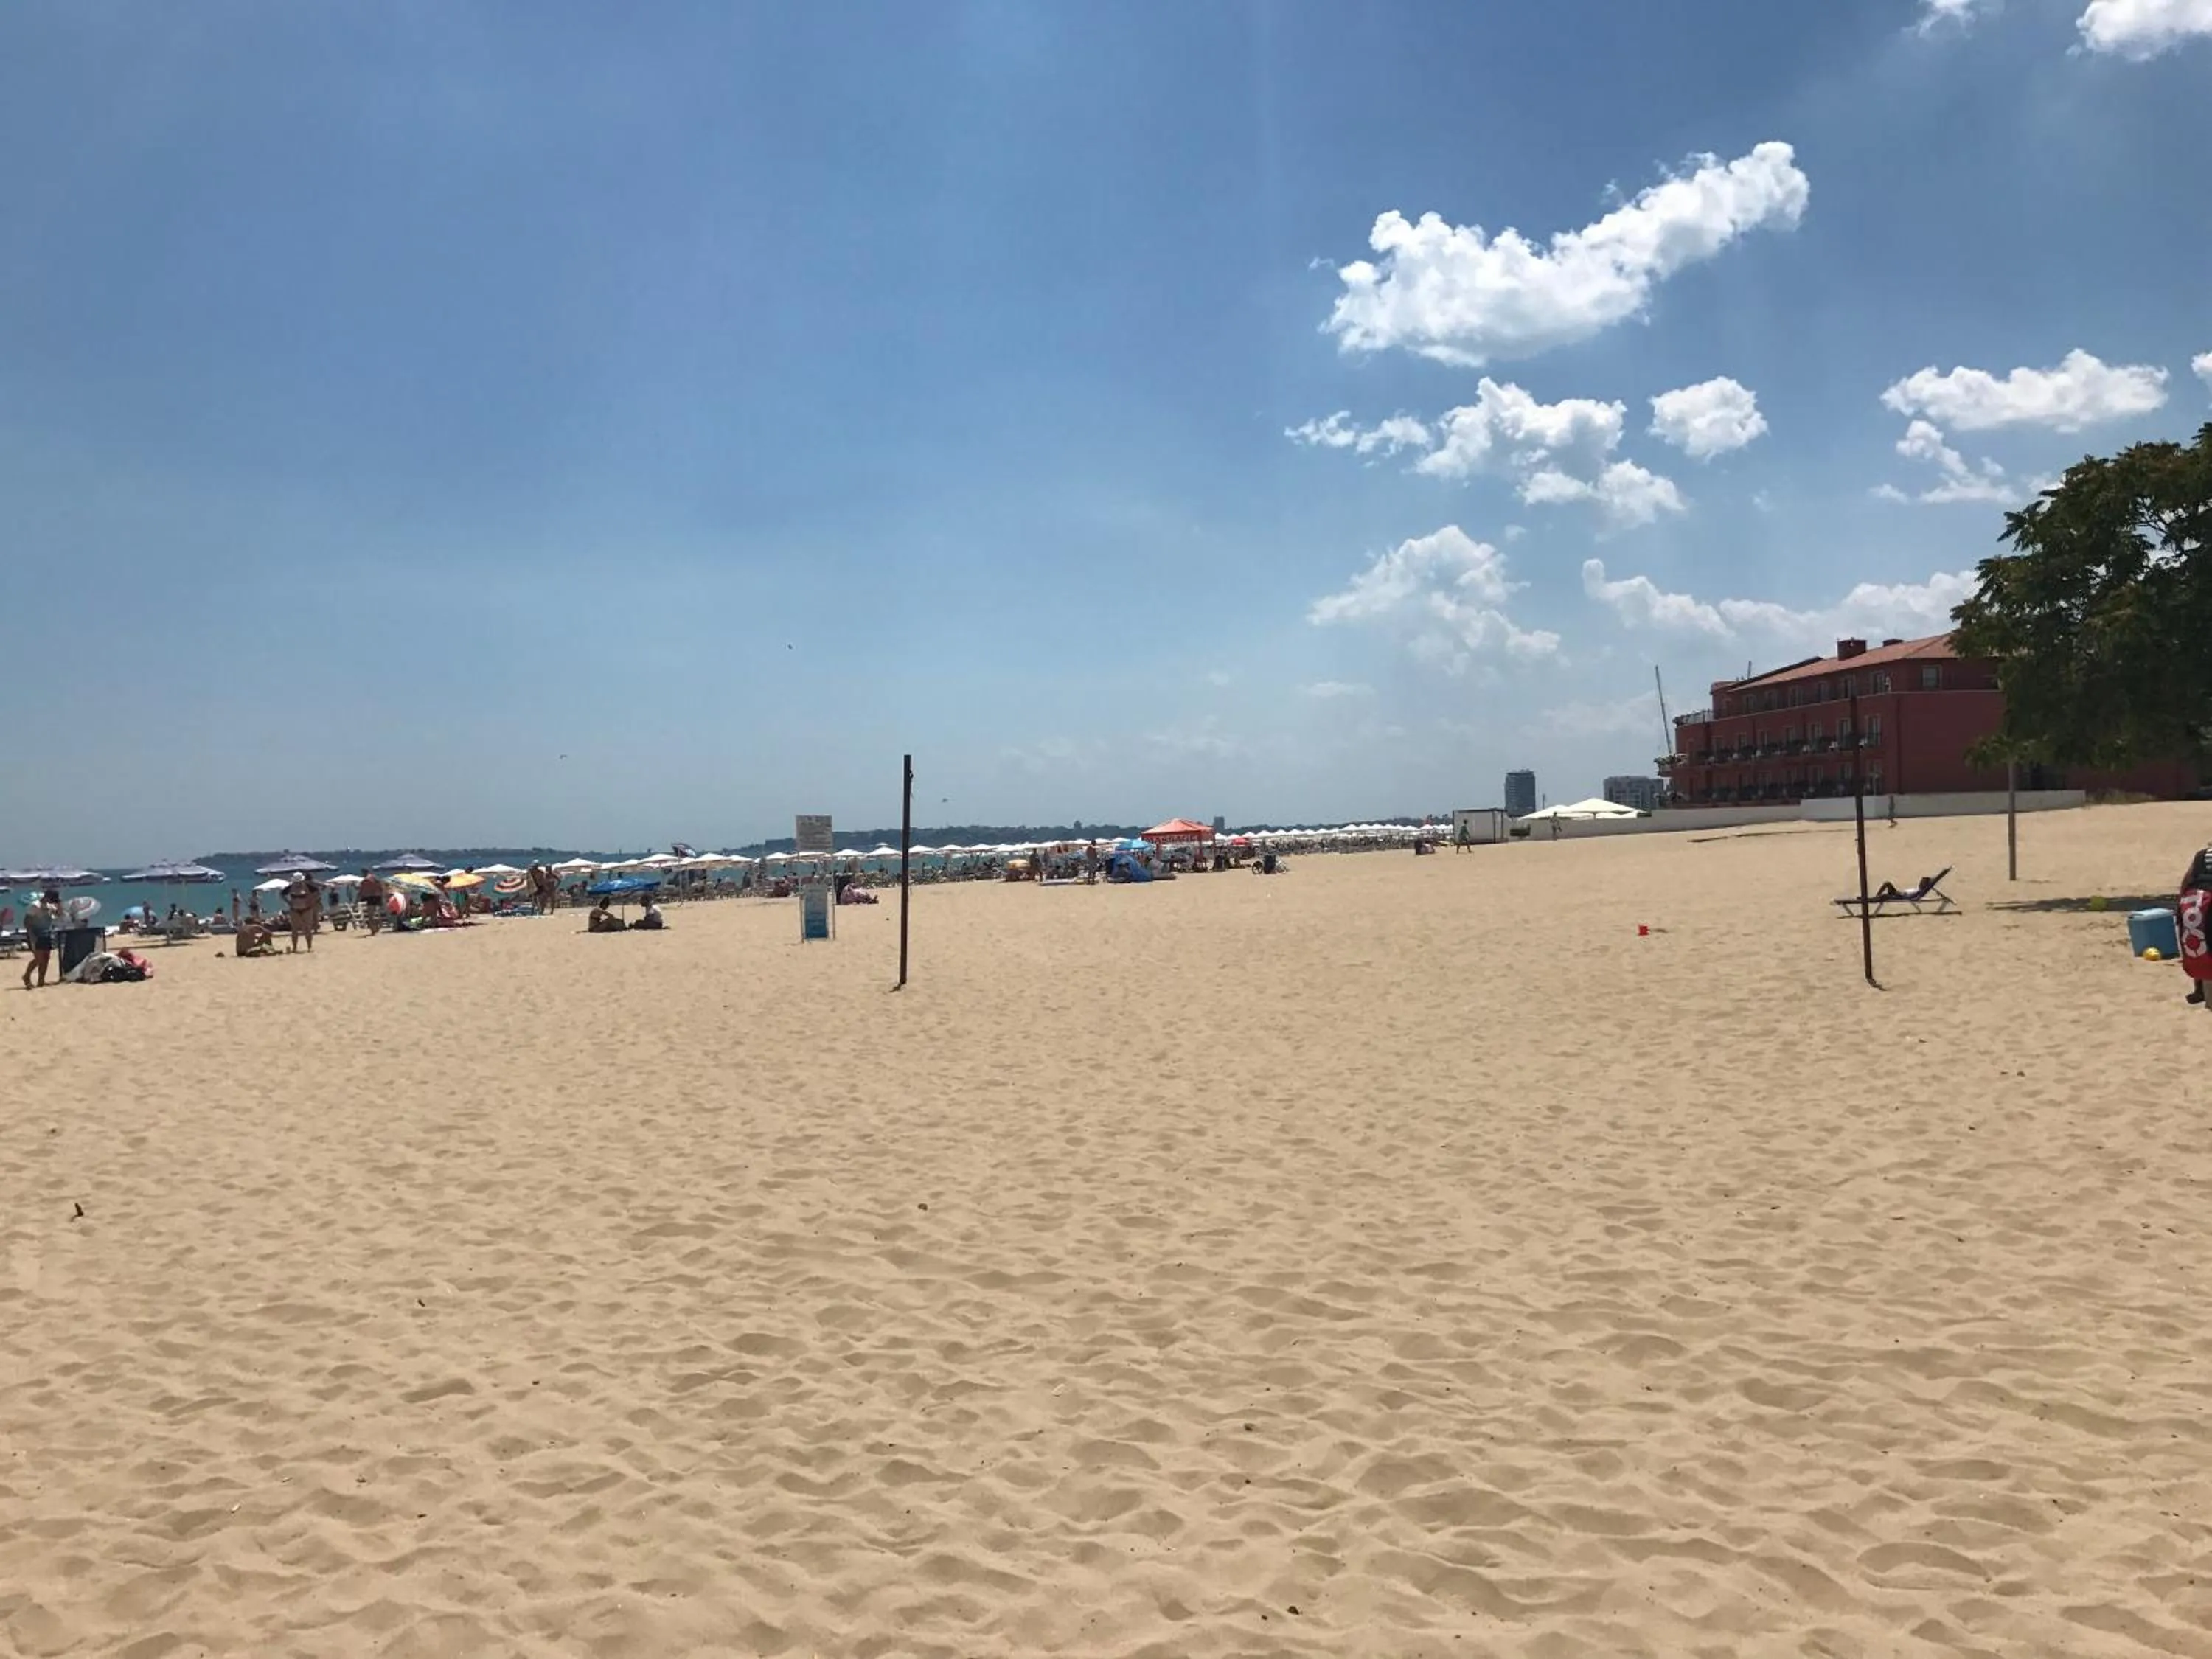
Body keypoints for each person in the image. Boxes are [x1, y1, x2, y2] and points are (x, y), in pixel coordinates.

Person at [21, 888, 62, 990]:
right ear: (47, 897)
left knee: (46, 958)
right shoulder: (35, 906)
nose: (52, 902)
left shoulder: (50, 907)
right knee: (39, 959)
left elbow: (59, 914)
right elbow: (27, 922)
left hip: (46, 934)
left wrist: (59, 904)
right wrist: (31, 936)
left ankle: (41, 980)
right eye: (52, 900)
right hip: (35, 934)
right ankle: (26, 976)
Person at [283, 873, 319, 953]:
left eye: (299, 882)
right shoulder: (290, 887)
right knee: (294, 929)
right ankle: (295, 947)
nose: (298, 884)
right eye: (296, 882)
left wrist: (312, 901)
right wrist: (289, 902)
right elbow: (282, 894)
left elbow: (317, 893)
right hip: (295, 910)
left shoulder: (308, 887)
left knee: (308, 929)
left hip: (307, 909)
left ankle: (309, 947)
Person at [358, 869, 386, 935]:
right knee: (376, 913)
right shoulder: (375, 878)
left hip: (370, 898)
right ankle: (378, 925)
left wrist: (357, 900)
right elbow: (381, 886)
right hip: (377, 897)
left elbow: (361, 892)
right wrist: (382, 896)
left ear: (364, 873)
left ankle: (373, 929)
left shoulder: (365, 881)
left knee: (371, 915)